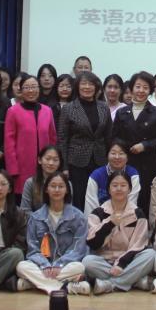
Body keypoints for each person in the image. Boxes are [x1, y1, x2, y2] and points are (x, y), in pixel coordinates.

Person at [15, 171, 91, 295]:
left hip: (66, 265)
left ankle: (33, 283)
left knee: (80, 267)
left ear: (67, 190)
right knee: (21, 266)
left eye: (61, 186)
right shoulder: (35, 218)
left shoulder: (78, 217)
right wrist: (45, 265)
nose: (57, 190)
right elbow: (33, 250)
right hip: (42, 266)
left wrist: (59, 265)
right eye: (53, 186)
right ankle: (67, 287)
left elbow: (78, 249)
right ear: (46, 189)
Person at [83, 170, 156, 294]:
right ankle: (133, 281)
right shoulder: (98, 212)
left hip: (129, 261)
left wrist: (121, 264)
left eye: (123, 185)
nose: (119, 189)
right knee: (87, 262)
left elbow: (138, 245)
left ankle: (110, 284)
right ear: (108, 189)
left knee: (151, 254)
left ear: (129, 189)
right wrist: (110, 223)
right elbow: (93, 243)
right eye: (115, 185)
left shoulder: (138, 213)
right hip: (105, 261)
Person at [112, 71, 156, 215]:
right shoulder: (121, 112)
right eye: (138, 87)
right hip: (126, 162)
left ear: (150, 90)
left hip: (149, 164)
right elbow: (115, 137)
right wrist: (126, 147)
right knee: (126, 196)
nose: (141, 90)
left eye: (145, 87)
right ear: (131, 88)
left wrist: (145, 145)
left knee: (145, 200)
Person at [58, 70, 112, 209]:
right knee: (79, 197)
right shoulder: (68, 108)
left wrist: (110, 161)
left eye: (90, 84)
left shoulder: (104, 107)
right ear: (77, 86)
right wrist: (64, 166)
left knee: (99, 197)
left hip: (99, 160)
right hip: (76, 162)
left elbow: (108, 136)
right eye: (83, 84)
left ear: (96, 87)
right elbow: (63, 139)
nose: (87, 87)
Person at [5, 74, 58, 197]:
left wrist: (53, 161)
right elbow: (9, 143)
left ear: (39, 89)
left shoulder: (47, 111)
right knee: (24, 200)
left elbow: (53, 139)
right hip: (22, 167)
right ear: (21, 90)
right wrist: (13, 169)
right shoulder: (13, 111)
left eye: (34, 87)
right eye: (27, 87)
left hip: (46, 166)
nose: (31, 90)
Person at [84, 140, 141, 214]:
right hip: (100, 218)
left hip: (126, 217)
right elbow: (90, 206)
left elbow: (131, 205)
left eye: (121, 153)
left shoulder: (133, 174)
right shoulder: (96, 175)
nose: (117, 157)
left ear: (127, 157)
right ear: (107, 155)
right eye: (113, 153)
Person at [20, 146, 68, 215]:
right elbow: (24, 211)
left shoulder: (66, 184)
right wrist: (43, 220)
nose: (51, 163)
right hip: (35, 221)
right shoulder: (30, 183)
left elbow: (68, 211)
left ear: (60, 162)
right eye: (47, 159)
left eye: (55, 160)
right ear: (39, 160)